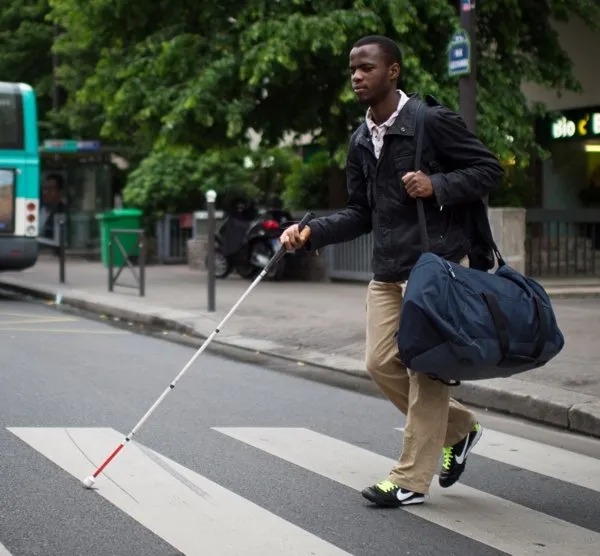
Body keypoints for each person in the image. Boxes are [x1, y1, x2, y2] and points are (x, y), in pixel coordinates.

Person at [280, 35, 503, 508]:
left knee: (426, 373)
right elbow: (361, 212)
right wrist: (311, 232)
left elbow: (489, 169)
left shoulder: (430, 121)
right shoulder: (361, 139)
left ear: (393, 71)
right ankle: (460, 430)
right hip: (388, 270)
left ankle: (409, 479)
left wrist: (436, 183)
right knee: (380, 363)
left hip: (436, 268)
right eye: (353, 70)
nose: (357, 76)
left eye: (367, 68)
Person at [40, 173, 67, 241]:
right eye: (44, 189)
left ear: (60, 192)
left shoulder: (62, 211)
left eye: (50, 189)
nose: (45, 192)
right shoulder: (37, 209)